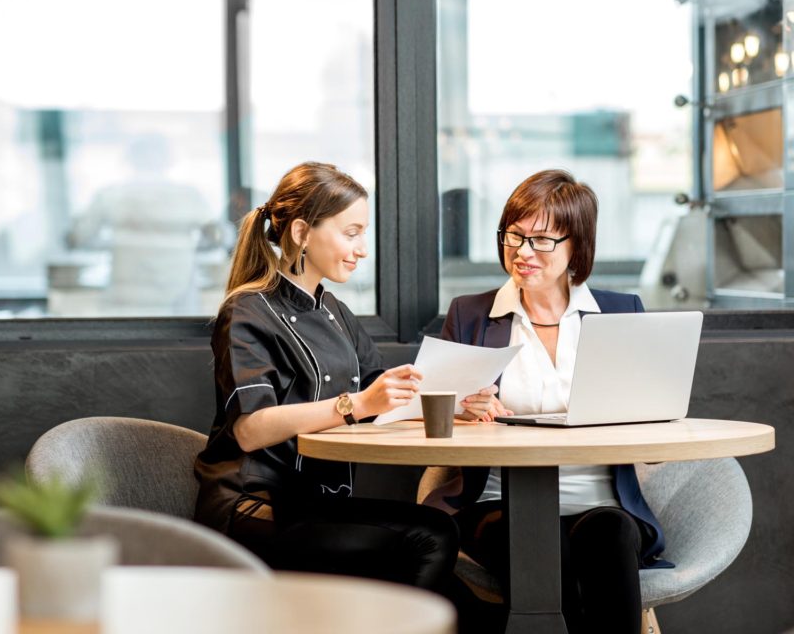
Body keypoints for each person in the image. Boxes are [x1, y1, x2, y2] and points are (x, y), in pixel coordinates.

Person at [193, 162, 499, 597]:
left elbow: (384, 398)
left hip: (314, 504)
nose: (362, 248)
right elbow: (249, 429)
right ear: (301, 232)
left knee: (455, 584)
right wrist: (354, 405)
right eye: (351, 232)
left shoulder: (334, 311)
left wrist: (458, 404)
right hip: (254, 506)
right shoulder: (246, 311)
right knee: (430, 538)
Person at [426, 169, 671, 633]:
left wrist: (644, 419)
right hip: (498, 503)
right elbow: (435, 423)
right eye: (513, 236)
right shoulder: (472, 315)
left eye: (541, 240)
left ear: (576, 245)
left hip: (602, 502)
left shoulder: (621, 312)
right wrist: (463, 411)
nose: (522, 252)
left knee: (610, 536)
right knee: (538, 539)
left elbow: (654, 434)